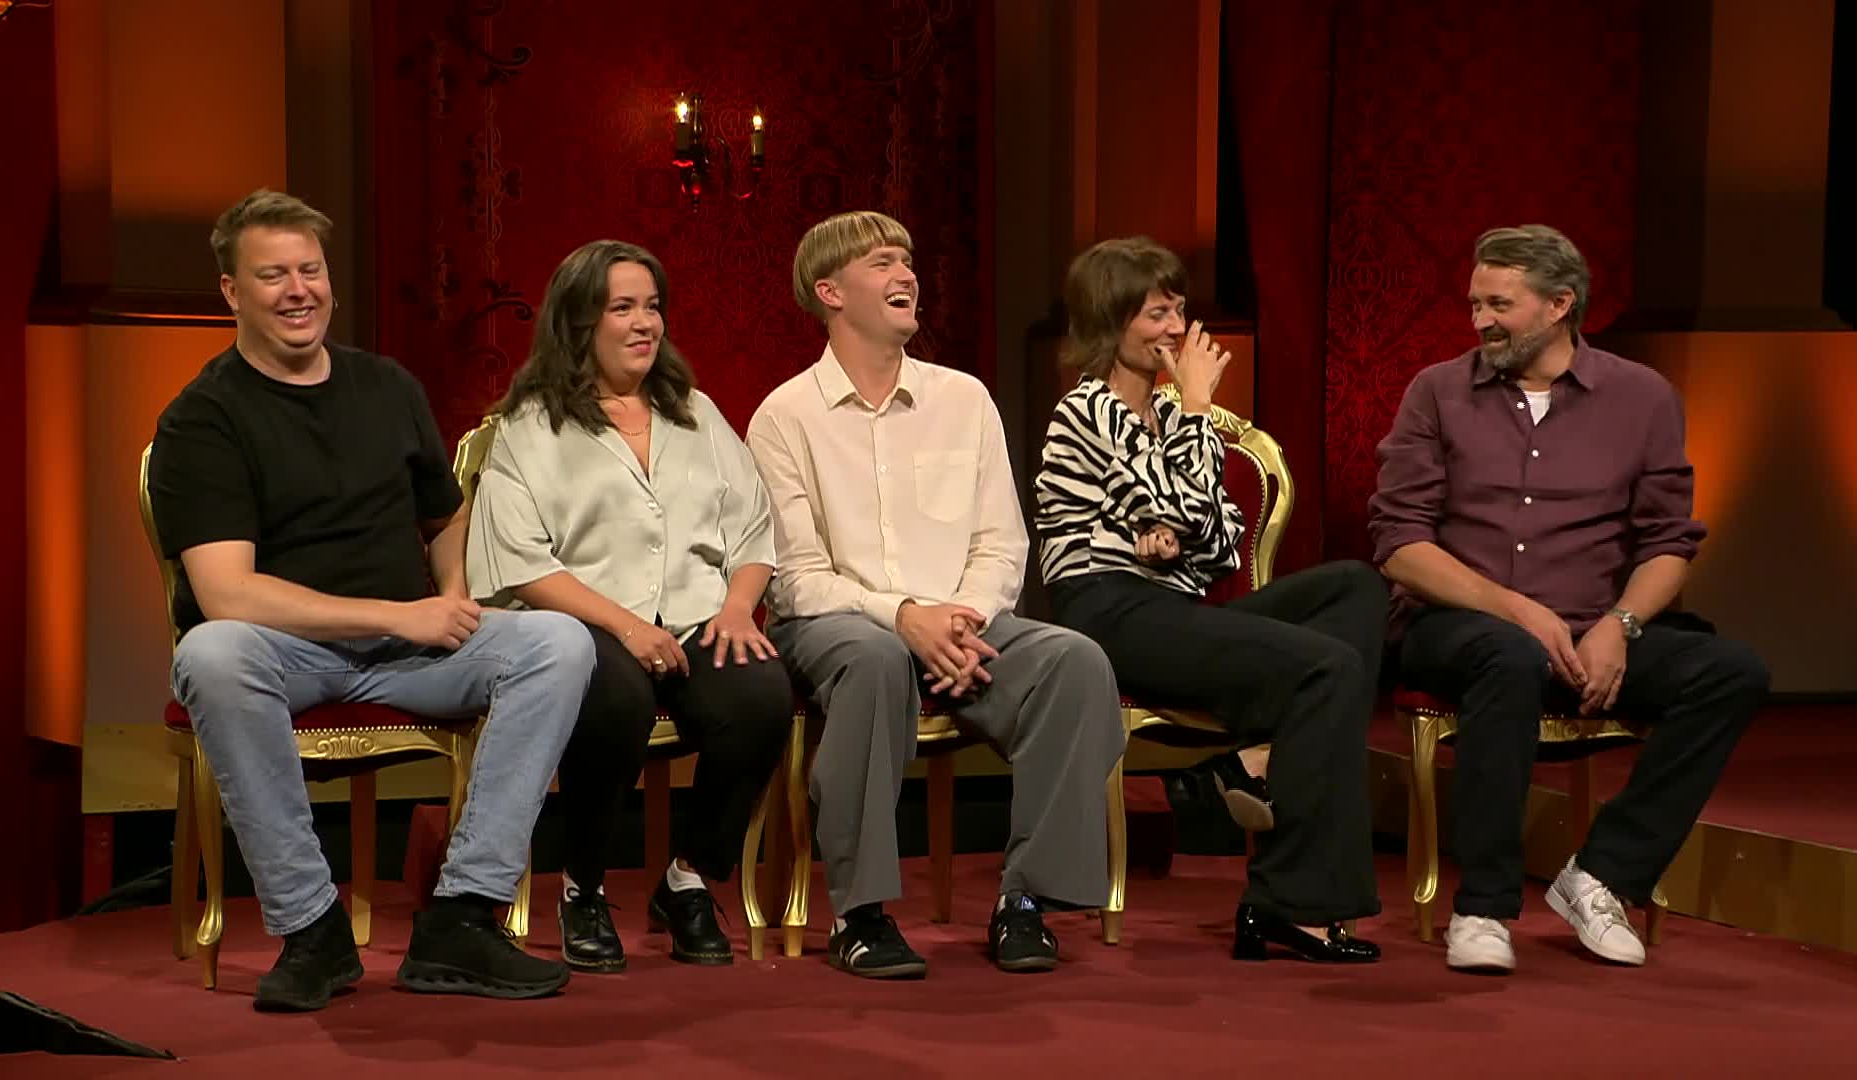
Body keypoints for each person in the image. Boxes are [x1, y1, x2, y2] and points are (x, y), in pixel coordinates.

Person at [149, 189, 592, 1011]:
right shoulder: (203, 419)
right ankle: (312, 931)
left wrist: (452, 595)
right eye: (273, 275)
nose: (298, 290)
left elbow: (445, 516)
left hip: (409, 653)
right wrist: (398, 614)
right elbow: (226, 592)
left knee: (559, 643)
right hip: (288, 655)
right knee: (210, 653)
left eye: (310, 270)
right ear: (232, 292)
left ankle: (462, 915)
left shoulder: (387, 386)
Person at [1370, 224, 1768, 973]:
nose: (1480, 320)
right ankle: (1484, 908)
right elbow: (1400, 544)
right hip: (1461, 627)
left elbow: (1668, 543)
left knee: (1731, 672)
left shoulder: (1642, 398)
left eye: (1500, 304)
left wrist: (1620, 625)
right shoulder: (1437, 392)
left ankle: (1603, 876)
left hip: (1591, 630)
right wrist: (1516, 608)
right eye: (1475, 303)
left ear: (1559, 305)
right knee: (1509, 655)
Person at [745, 210, 1126, 978]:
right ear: (829, 291)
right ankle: (860, 915)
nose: (906, 275)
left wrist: (960, 619)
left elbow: (1001, 542)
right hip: (837, 620)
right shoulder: (784, 417)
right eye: (882, 263)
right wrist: (904, 617)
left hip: (962, 620)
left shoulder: (963, 399)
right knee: (876, 658)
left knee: (1074, 662)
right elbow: (797, 577)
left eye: (908, 261)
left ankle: (1026, 900)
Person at [1034, 236, 1384, 964]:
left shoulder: (1168, 418)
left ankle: (1255, 759)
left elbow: (1219, 541)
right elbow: (1180, 510)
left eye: (1178, 311)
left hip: (1174, 609)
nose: (1177, 330)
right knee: (1330, 667)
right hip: (1106, 612)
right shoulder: (1086, 411)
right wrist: (1193, 420)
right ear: (1112, 321)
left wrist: (1165, 522)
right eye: (1157, 314)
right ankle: (1293, 903)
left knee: (1354, 585)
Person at [466, 240, 792, 971]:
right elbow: (519, 562)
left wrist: (739, 608)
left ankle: (687, 880)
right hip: (586, 625)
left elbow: (753, 528)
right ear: (580, 320)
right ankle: (582, 886)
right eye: (623, 308)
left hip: (698, 617)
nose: (645, 323)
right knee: (614, 698)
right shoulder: (530, 427)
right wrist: (625, 626)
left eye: (652, 307)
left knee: (761, 695)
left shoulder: (696, 414)